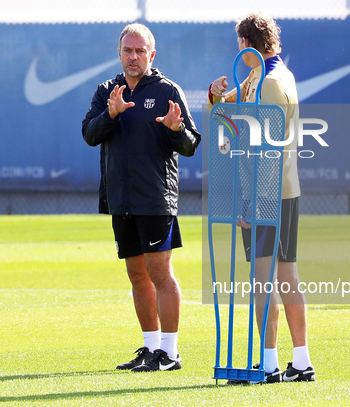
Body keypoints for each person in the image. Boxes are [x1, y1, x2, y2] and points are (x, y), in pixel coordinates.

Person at [82, 23, 201, 372]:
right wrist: (112, 113)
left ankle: (171, 352)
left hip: (155, 198)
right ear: (119, 53)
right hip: (121, 199)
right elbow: (89, 134)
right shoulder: (107, 90)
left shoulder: (167, 89)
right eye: (127, 51)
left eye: (140, 50)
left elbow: (191, 144)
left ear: (152, 54)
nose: (133, 57)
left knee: (160, 273)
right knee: (137, 274)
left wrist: (176, 129)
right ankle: (151, 348)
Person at [208, 12, 315, 383]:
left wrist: (253, 203)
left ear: (247, 44)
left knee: (262, 280)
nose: (236, 51)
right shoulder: (267, 75)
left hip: (268, 193)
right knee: (286, 276)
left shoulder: (269, 83)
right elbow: (220, 111)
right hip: (284, 190)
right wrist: (214, 95)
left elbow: (268, 150)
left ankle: (268, 364)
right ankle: (300, 362)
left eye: (239, 44)